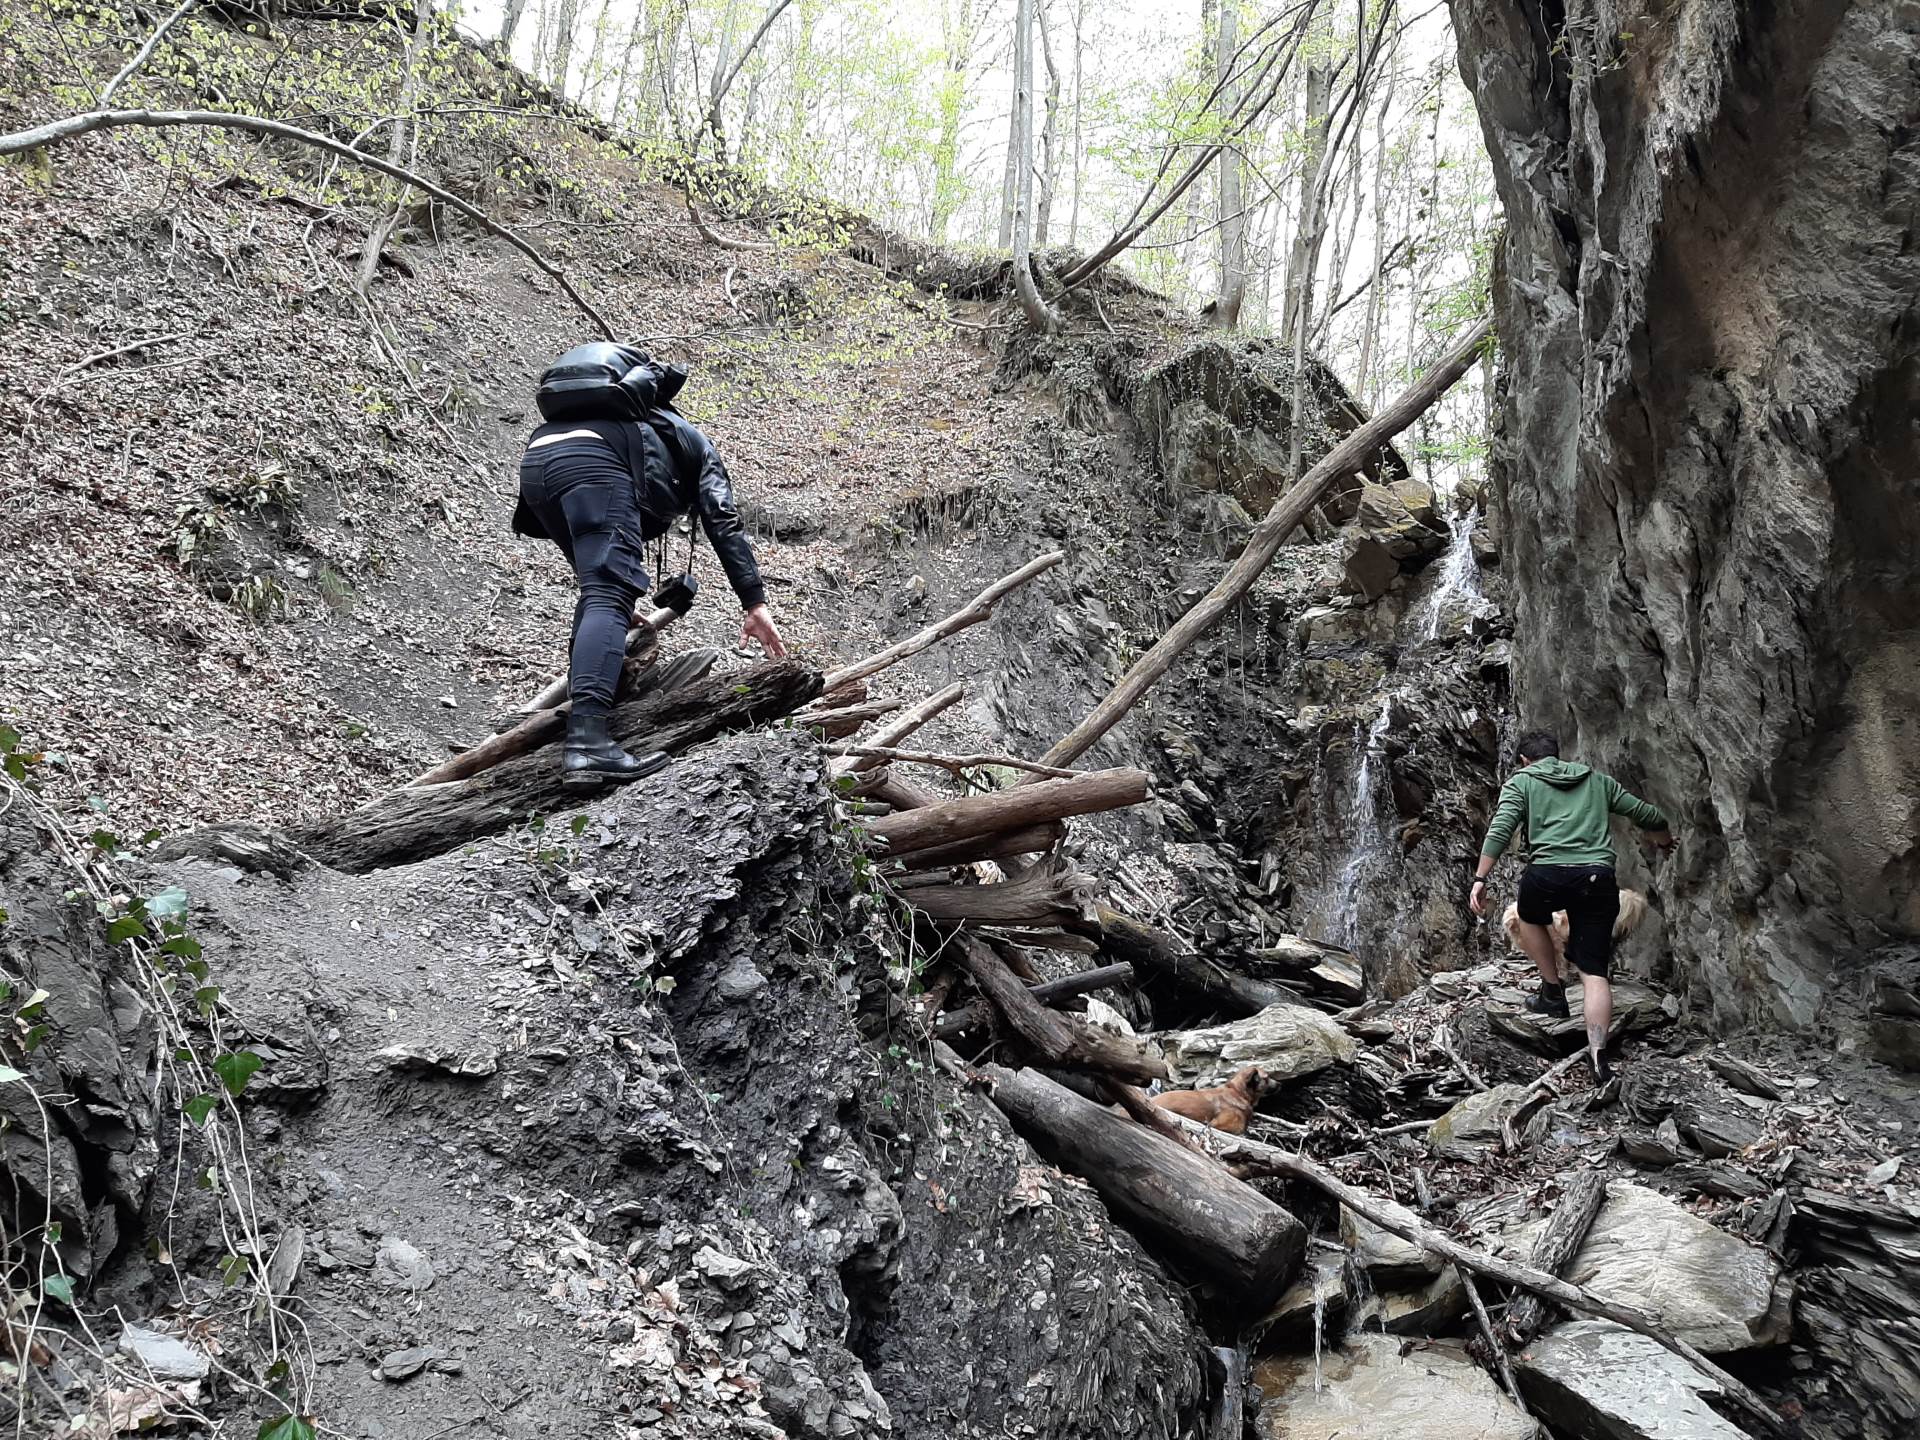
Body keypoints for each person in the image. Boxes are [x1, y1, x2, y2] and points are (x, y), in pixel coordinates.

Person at [513, 400, 786, 787]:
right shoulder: (699, 450)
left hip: (539, 460)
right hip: (594, 462)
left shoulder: (633, 428)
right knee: (609, 594)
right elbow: (723, 519)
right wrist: (754, 603)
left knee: (602, 592)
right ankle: (588, 743)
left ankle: (583, 724)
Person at [1468, 730, 1673, 1083]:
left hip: (1547, 874)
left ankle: (1552, 990)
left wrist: (1481, 879)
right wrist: (1663, 840)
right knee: (1594, 972)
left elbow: (1501, 828)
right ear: (1557, 756)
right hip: (1596, 876)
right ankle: (1598, 1057)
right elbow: (1648, 813)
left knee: (1528, 914)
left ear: (1524, 761)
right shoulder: (1596, 780)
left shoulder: (1523, 781)